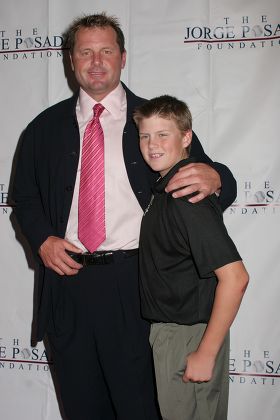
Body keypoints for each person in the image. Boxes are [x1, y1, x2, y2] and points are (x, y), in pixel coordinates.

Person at [12, 13, 237, 420]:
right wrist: (43, 238)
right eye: (85, 52)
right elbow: (24, 198)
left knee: (142, 408)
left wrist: (218, 174)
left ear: (123, 57)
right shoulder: (42, 129)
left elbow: (205, 177)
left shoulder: (155, 121)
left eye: (106, 51)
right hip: (67, 288)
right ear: (71, 60)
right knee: (82, 408)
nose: (96, 61)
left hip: (139, 287)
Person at [133, 94, 249, 420]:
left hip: (189, 338)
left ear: (186, 137)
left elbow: (236, 278)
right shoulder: (166, 189)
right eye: (145, 135)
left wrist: (205, 352)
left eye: (163, 134)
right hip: (175, 335)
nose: (152, 144)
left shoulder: (187, 196)